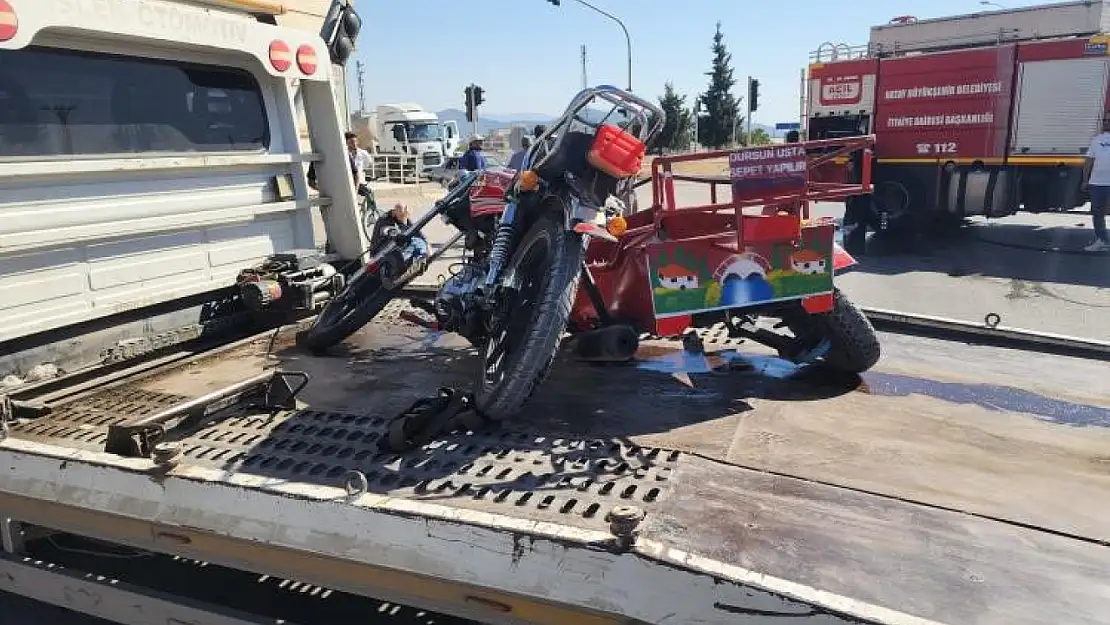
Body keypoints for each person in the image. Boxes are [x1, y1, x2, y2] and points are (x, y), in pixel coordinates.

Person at [1081, 113, 1110, 252]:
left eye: (1109, 120)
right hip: (1097, 184)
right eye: (1105, 120)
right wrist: (1085, 180)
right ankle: (1102, 240)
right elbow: (1089, 162)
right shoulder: (1096, 140)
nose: (1106, 123)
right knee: (1098, 213)